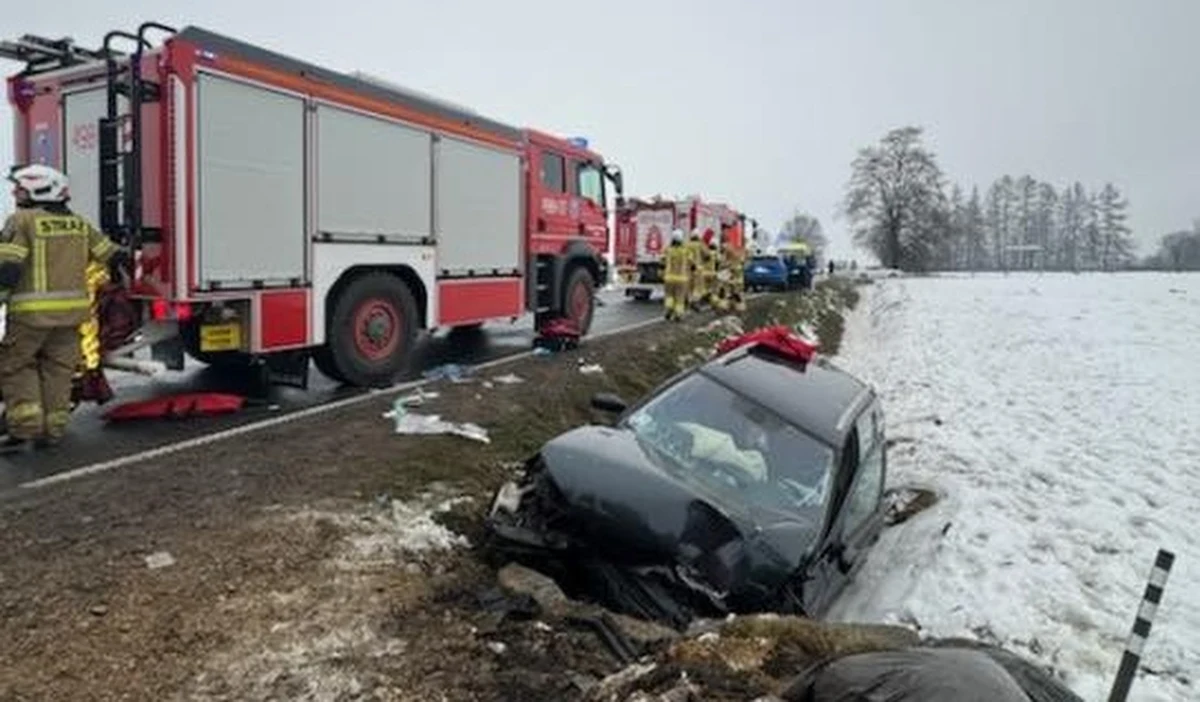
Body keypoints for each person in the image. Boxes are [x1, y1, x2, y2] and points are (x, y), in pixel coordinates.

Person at [0, 164, 122, 453]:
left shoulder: (22, 221)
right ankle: (54, 429)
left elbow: (8, 269)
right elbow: (111, 255)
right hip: (72, 316)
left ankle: (25, 428)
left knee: (16, 365)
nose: (15, 193)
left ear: (36, 189)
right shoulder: (79, 224)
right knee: (58, 370)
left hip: (31, 315)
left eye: (19, 188)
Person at [661, 228, 689, 321]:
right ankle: (678, 314)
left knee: (669, 295)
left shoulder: (668, 249)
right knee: (680, 298)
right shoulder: (685, 250)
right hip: (682, 278)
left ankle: (669, 309)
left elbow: (662, 260)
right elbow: (691, 262)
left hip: (669, 277)